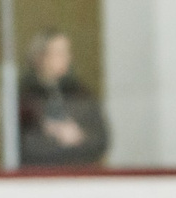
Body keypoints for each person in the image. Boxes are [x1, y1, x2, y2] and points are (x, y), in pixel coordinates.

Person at [18, 31, 110, 168]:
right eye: (58, 53)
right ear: (40, 57)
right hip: (38, 179)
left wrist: (79, 137)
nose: (66, 58)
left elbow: (101, 140)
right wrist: (55, 137)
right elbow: (21, 147)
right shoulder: (24, 99)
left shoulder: (80, 95)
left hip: (79, 178)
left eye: (67, 52)